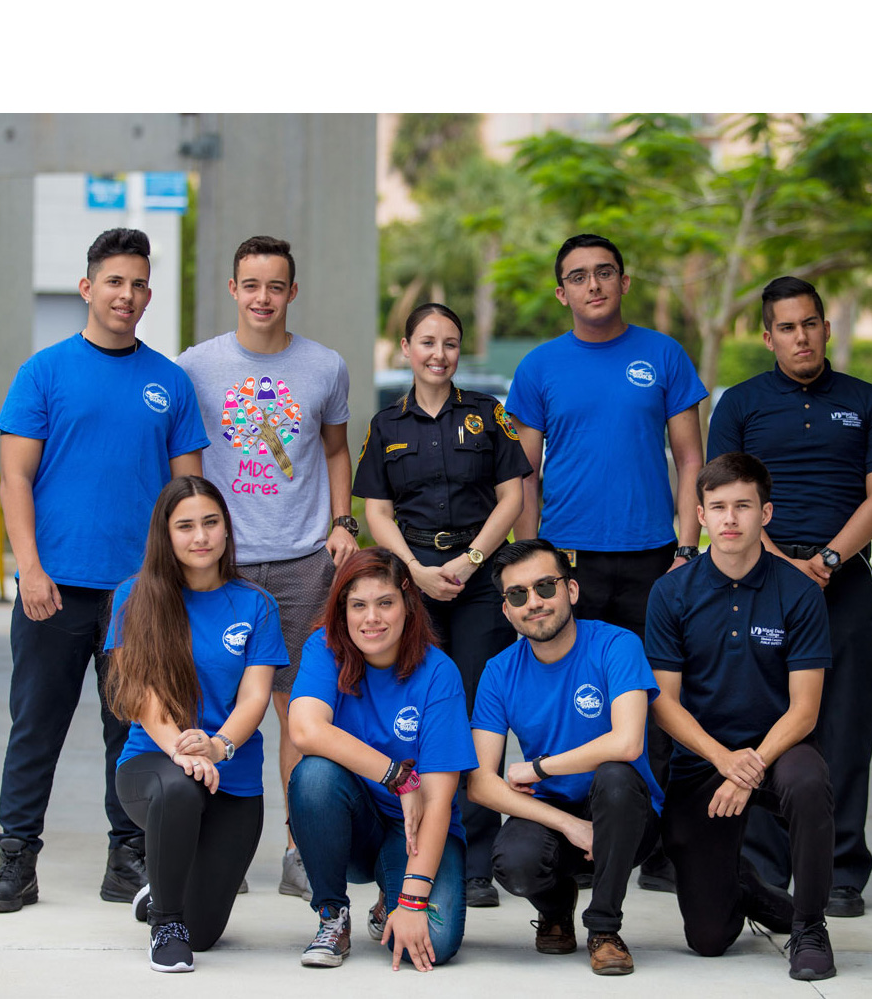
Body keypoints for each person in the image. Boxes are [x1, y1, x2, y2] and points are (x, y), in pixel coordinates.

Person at [0, 228, 208, 914]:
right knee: (35, 727)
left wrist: (178, 584)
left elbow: (188, 498)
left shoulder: (170, 382)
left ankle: (127, 856)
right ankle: (17, 860)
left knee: (132, 729)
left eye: (138, 284)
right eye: (114, 281)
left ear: (148, 294)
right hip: (53, 589)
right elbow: (15, 479)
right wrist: (30, 569)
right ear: (87, 287)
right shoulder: (43, 372)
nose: (126, 295)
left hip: (140, 595)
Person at [504, 232, 706, 892]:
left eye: (604, 272)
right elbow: (524, 473)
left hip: (654, 560)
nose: (593, 285)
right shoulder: (539, 367)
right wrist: (532, 563)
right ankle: (577, 833)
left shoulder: (663, 355)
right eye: (578, 276)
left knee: (658, 700)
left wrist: (687, 549)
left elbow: (691, 459)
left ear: (623, 281)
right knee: (575, 698)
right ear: (561, 292)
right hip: (570, 562)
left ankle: (660, 844)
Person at [707, 276, 872, 918]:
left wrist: (827, 560)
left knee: (844, 723)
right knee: (761, 719)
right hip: (759, 581)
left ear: (826, 327)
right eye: (787, 327)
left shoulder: (868, 401)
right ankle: (765, 866)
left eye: (810, 324)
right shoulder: (740, 404)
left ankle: (842, 871)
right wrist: (777, 562)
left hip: (843, 583)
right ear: (768, 337)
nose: (802, 337)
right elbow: (725, 496)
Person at [177, 235, 358, 900]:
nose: (262, 298)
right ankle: (211, 849)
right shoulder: (194, 367)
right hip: (219, 565)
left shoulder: (325, 366)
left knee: (298, 709)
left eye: (275, 286)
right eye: (251, 285)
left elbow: (335, 451)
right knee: (209, 701)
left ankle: (298, 850)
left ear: (292, 292)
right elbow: (184, 462)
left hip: (303, 562)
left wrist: (343, 522)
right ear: (233, 289)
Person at [353, 302, 531, 907]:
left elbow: (512, 497)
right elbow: (376, 512)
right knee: (417, 706)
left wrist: (472, 561)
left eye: (450, 343)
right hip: (414, 580)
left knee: (479, 711)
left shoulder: (487, 414)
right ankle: (414, 847)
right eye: (427, 342)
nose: (439, 354)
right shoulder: (386, 425)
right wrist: (415, 572)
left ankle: (476, 862)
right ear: (406, 348)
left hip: (478, 580)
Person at [645, 452, 836, 981]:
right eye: (719, 507)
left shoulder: (798, 592)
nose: (730, 519)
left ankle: (810, 926)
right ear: (700, 515)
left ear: (765, 513)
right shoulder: (671, 592)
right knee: (708, 939)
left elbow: (805, 710)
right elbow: (664, 702)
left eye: (744, 506)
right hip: (704, 758)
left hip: (779, 748)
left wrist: (749, 767)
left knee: (808, 783)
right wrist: (723, 760)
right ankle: (746, 887)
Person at [105, 476, 288, 972]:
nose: (201, 536)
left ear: (227, 528)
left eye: (211, 522)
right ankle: (165, 922)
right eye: (185, 526)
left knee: (203, 935)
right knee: (180, 788)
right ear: (165, 534)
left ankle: (161, 894)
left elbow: (255, 696)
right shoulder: (133, 596)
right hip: (154, 764)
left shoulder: (255, 604)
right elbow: (142, 694)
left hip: (232, 775)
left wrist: (218, 746)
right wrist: (183, 751)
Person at [468, 539, 665, 977]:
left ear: (571, 590)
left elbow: (627, 743)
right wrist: (570, 825)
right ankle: (556, 910)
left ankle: (604, 929)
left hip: (627, 817)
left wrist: (539, 767)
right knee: (514, 861)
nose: (534, 602)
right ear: (506, 610)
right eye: (517, 594)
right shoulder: (499, 671)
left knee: (615, 776)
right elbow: (480, 782)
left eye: (545, 587)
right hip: (555, 812)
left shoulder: (616, 644)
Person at [286, 549, 476, 972]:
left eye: (385, 603)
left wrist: (412, 901)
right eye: (358, 605)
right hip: (354, 822)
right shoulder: (325, 647)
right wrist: (398, 778)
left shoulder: (439, 672)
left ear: (408, 605)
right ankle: (332, 916)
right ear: (343, 610)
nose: (371, 618)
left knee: (434, 944)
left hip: (418, 827)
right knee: (313, 775)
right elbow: (306, 730)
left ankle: (390, 897)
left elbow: (438, 800)